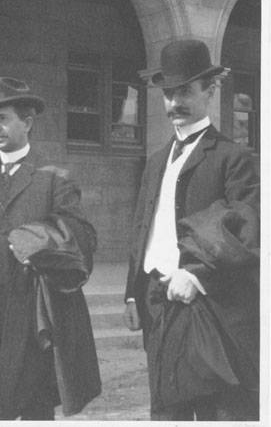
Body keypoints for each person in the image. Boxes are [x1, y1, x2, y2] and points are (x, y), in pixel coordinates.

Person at [0, 77, 101, 420]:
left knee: (33, 399)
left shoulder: (53, 177)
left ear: (27, 123)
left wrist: (35, 238)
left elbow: (81, 239)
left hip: (29, 306)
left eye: (2, 118)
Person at [123, 39, 260, 421]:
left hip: (211, 306)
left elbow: (249, 231)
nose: (174, 103)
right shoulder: (155, 161)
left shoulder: (234, 159)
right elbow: (143, 229)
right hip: (157, 301)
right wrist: (133, 293)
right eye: (168, 93)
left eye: (185, 91)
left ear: (210, 90)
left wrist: (197, 276)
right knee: (167, 409)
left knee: (220, 409)